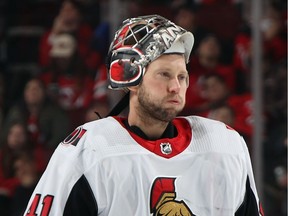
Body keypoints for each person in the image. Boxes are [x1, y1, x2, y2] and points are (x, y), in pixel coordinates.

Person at [23, 15, 264, 215]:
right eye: (164, 75)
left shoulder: (224, 145)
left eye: (182, 76)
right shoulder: (90, 151)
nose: (176, 87)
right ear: (129, 77)